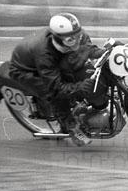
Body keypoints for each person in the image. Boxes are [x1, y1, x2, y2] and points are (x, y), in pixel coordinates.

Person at [8, 12, 107, 146]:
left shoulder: (73, 34)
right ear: (57, 38)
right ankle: (70, 126)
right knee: (54, 92)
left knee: (75, 70)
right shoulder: (44, 54)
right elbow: (56, 88)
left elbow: (87, 47)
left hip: (47, 59)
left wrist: (105, 52)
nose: (76, 40)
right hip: (25, 70)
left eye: (78, 35)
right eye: (71, 39)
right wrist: (79, 88)